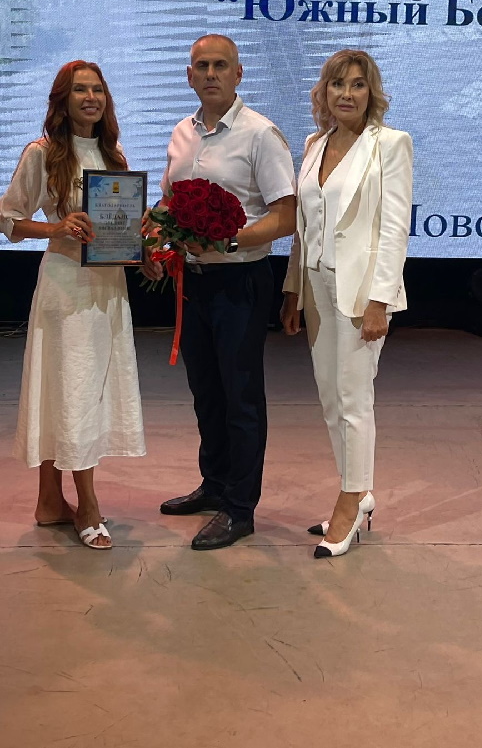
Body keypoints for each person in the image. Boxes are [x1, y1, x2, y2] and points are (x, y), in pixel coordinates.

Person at [143, 34, 296, 550]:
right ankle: (214, 484)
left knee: (240, 397)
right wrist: (156, 238)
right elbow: (168, 204)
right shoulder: (181, 133)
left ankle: (239, 508)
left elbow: (285, 216)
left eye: (221, 65)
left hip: (240, 281)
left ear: (238, 74)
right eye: (202, 66)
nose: (211, 74)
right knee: (206, 392)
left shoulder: (260, 134)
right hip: (192, 282)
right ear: (189, 76)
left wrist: (229, 240)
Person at [0, 61, 146, 549]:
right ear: (62, 100)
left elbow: (122, 227)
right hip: (66, 290)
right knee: (75, 390)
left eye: (98, 89)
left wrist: (145, 250)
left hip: (107, 286)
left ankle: (49, 501)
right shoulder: (41, 153)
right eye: (80, 90)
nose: (91, 98)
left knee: (67, 391)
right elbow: (8, 218)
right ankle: (87, 505)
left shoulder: (114, 155)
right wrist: (55, 227)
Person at [280, 49, 413, 559]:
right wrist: (292, 289)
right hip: (316, 287)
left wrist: (380, 300)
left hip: (362, 294)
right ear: (325, 92)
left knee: (355, 401)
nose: (347, 94)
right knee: (332, 400)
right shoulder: (314, 145)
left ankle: (350, 500)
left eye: (358, 84)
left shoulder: (390, 144)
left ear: (371, 92)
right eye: (338, 84)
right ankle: (359, 490)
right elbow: (304, 227)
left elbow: (394, 229)